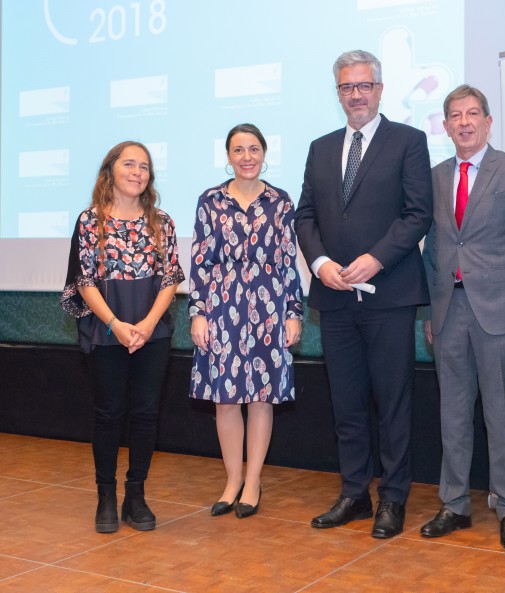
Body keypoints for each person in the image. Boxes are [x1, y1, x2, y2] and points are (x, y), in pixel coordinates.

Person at [295, 49, 432, 539]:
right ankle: (354, 492)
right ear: (338, 93)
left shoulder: (409, 141)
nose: (356, 95)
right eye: (346, 87)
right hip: (334, 298)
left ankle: (393, 498)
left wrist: (377, 258)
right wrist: (320, 263)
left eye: (364, 85)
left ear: (379, 89)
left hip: (389, 295)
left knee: (393, 403)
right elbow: (305, 216)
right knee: (347, 402)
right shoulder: (320, 147)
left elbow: (418, 213)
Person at [421, 85, 505, 548]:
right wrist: (429, 311)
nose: (464, 122)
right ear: (446, 125)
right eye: (455, 115)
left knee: (501, 414)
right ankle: (454, 504)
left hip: (501, 314)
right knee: (452, 414)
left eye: (473, 113)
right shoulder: (434, 177)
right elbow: (432, 249)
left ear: (488, 122)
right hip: (448, 312)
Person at [61, 141, 185, 533]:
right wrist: (116, 324)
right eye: (129, 164)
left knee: (146, 413)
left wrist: (147, 324)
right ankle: (105, 497)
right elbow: (84, 281)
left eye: (144, 166)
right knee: (109, 412)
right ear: (110, 171)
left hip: (153, 332)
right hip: (106, 330)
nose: (137, 172)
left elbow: (171, 278)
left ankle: (136, 495)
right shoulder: (90, 221)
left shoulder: (162, 222)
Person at [189, 123, 302, 520]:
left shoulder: (281, 202)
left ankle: (253, 482)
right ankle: (232, 480)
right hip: (221, 309)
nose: (247, 157)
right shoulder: (210, 200)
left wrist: (293, 313)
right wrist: (198, 312)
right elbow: (200, 261)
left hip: (270, 309)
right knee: (225, 399)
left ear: (264, 153)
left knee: (260, 398)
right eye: (238, 150)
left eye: (254, 149)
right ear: (228, 156)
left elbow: (289, 263)